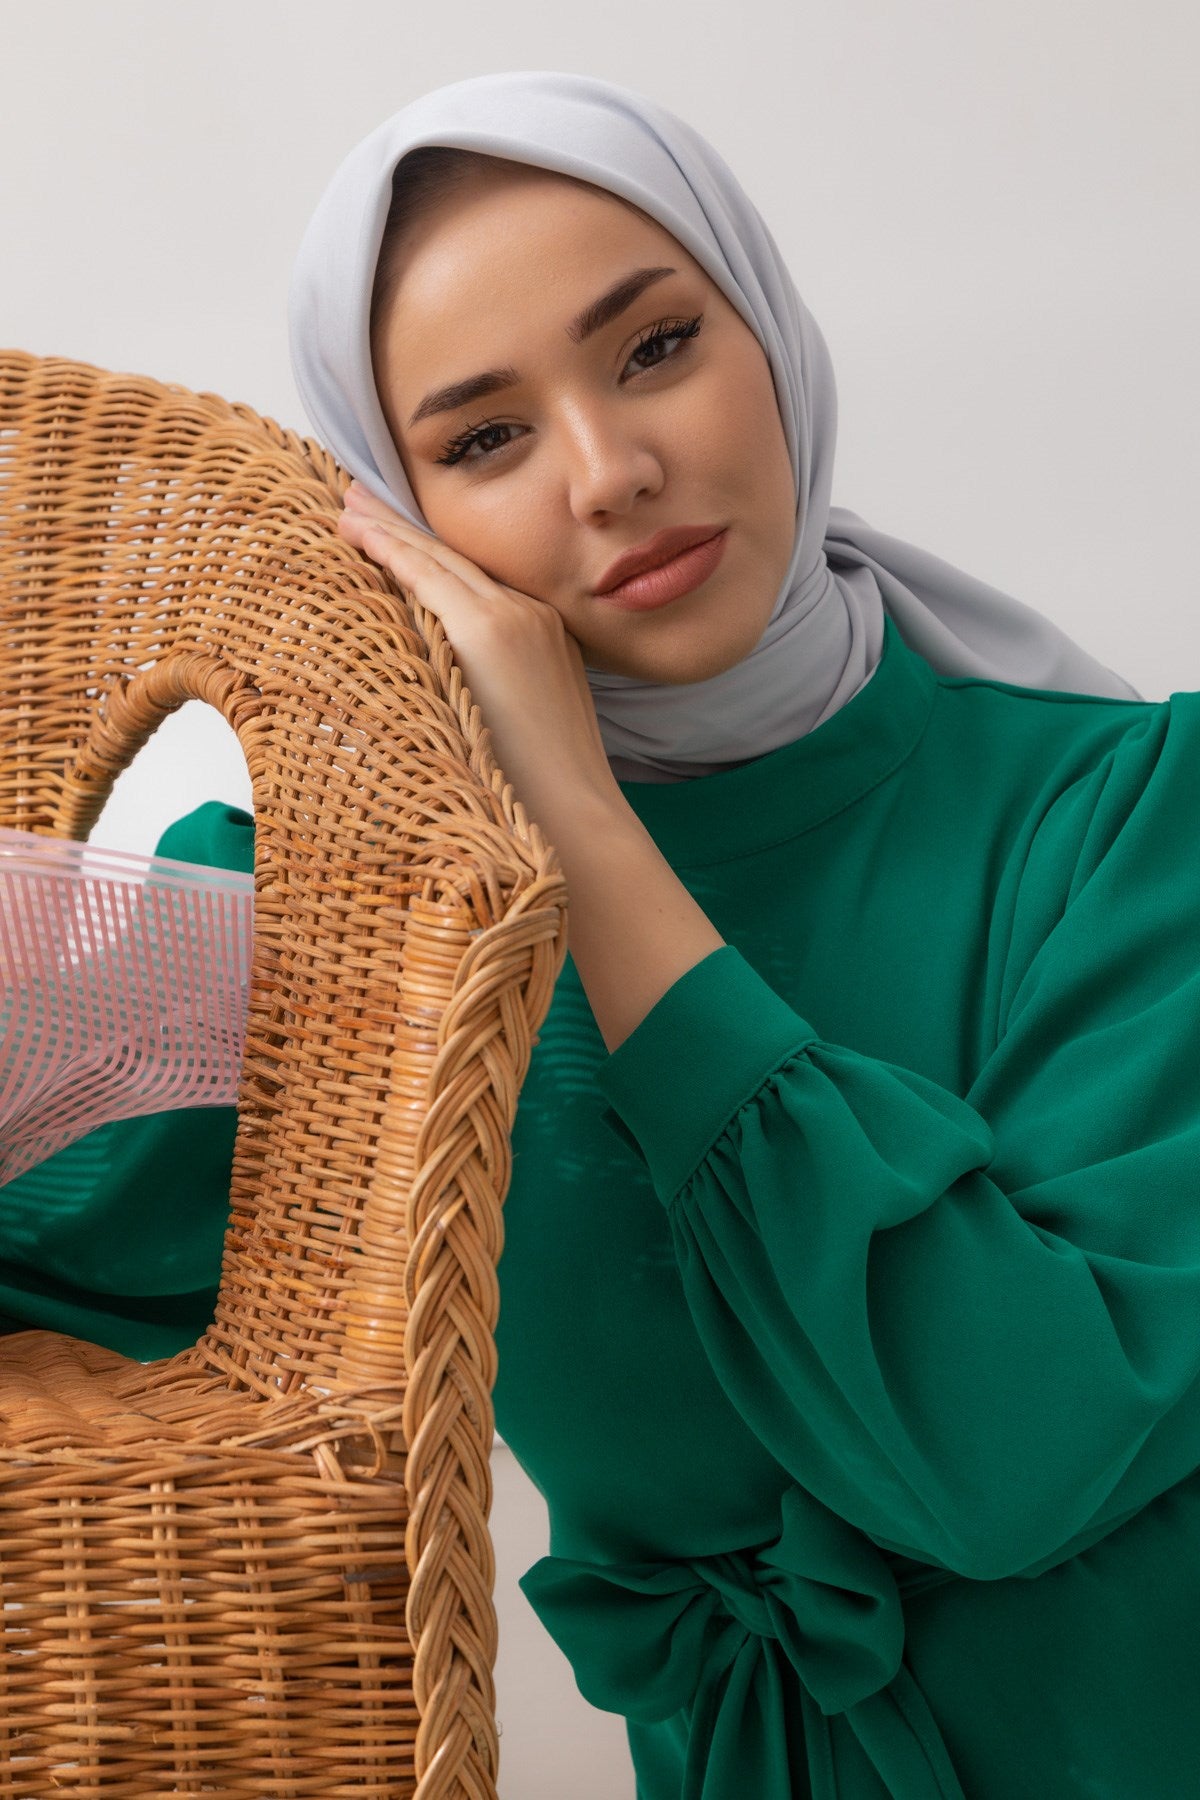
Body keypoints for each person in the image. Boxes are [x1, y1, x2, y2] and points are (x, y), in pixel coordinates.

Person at [6, 68, 1200, 1799]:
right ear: (400, 512)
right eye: (484, 440)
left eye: (655, 347)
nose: (612, 473)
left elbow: (999, 1461)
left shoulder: (1134, 816)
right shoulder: (360, 915)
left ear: (769, 332)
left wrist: (579, 822)